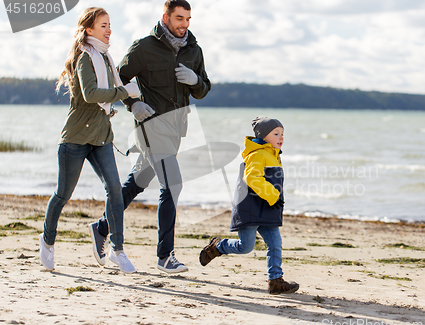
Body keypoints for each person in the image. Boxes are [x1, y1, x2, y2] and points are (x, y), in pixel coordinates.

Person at [89, 0, 211, 274]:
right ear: (165, 17)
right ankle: (165, 256)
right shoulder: (143, 47)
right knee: (173, 184)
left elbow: (204, 89)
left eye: (188, 19)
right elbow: (117, 81)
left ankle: (101, 227)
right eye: (179, 18)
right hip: (150, 127)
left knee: (137, 183)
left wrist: (195, 81)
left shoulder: (194, 50)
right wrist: (134, 105)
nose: (185, 24)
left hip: (177, 128)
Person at [39, 7, 140, 273]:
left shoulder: (106, 58)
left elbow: (117, 92)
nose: (109, 30)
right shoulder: (85, 57)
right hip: (75, 138)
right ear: (89, 30)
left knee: (115, 189)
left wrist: (137, 99)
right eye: (103, 25)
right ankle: (47, 241)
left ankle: (117, 250)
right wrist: (123, 91)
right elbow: (91, 94)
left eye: (110, 25)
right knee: (63, 194)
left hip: (101, 137)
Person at [199, 117, 300, 295]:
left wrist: (275, 198)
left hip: (267, 208)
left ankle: (275, 280)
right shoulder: (257, 154)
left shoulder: (274, 155)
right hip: (251, 208)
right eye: (276, 133)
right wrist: (273, 195)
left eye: (282, 134)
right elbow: (252, 179)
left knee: (275, 243)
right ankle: (218, 246)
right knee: (245, 246)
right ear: (263, 136)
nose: (281, 137)